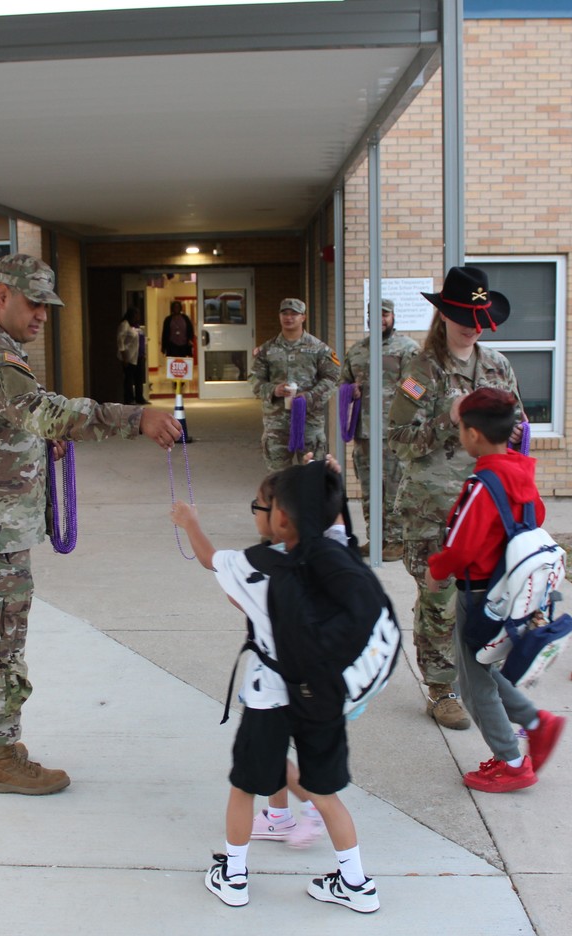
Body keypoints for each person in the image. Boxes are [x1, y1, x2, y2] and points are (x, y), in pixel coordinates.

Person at [0, 254, 182, 796]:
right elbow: (45, 410)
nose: (43, 314)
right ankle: (0, 757)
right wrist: (135, 416)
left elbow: (9, 422)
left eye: (48, 304)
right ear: (3, 295)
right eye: (34, 302)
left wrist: (35, 439)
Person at [171, 465, 379, 914]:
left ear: (281, 517)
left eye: (258, 508)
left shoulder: (255, 566)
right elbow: (338, 522)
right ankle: (356, 883)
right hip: (322, 695)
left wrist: (190, 523)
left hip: (268, 697)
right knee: (324, 792)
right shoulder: (337, 553)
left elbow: (211, 560)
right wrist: (331, 484)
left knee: (245, 786)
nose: (256, 516)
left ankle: (234, 875)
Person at [388, 265, 523, 731]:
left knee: (488, 599)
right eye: (462, 313)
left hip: (487, 507)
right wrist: (446, 418)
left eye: (478, 314)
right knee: (439, 598)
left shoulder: (497, 367)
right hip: (433, 509)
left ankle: (486, 680)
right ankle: (442, 688)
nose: (470, 323)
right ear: (444, 314)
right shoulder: (420, 371)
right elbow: (399, 441)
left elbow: (519, 427)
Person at [425, 388, 566, 792]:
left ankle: (512, 761)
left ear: (473, 435)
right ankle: (537, 722)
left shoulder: (481, 483)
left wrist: (437, 571)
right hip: (509, 589)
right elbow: (536, 515)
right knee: (482, 667)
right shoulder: (519, 472)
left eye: (461, 430)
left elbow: (462, 543)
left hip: (480, 593)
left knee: (471, 682)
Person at [339, 298, 419, 561]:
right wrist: (351, 391)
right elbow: (344, 383)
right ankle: (377, 538)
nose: (380, 319)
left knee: (395, 487)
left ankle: (396, 540)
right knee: (369, 488)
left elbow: (420, 387)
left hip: (395, 431)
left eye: (385, 315)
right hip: (365, 432)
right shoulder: (358, 350)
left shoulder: (407, 348)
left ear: (393, 317)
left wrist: (402, 397)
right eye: (375, 315)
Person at [250, 298, 340, 470]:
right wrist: (273, 390)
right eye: (285, 313)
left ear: (303, 317)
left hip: (309, 424)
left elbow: (333, 377)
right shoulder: (267, 349)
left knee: (313, 476)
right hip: (277, 425)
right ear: (279, 316)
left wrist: (310, 397)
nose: (289, 317)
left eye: (294, 314)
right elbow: (254, 379)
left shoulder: (318, 348)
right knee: (278, 481)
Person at [116, 307, 146, 404]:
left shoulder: (136, 326)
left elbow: (140, 340)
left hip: (138, 356)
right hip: (129, 357)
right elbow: (120, 341)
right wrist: (124, 356)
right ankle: (129, 399)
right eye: (136, 314)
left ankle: (139, 397)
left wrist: (143, 353)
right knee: (129, 379)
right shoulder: (125, 325)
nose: (138, 316)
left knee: (139, 378)